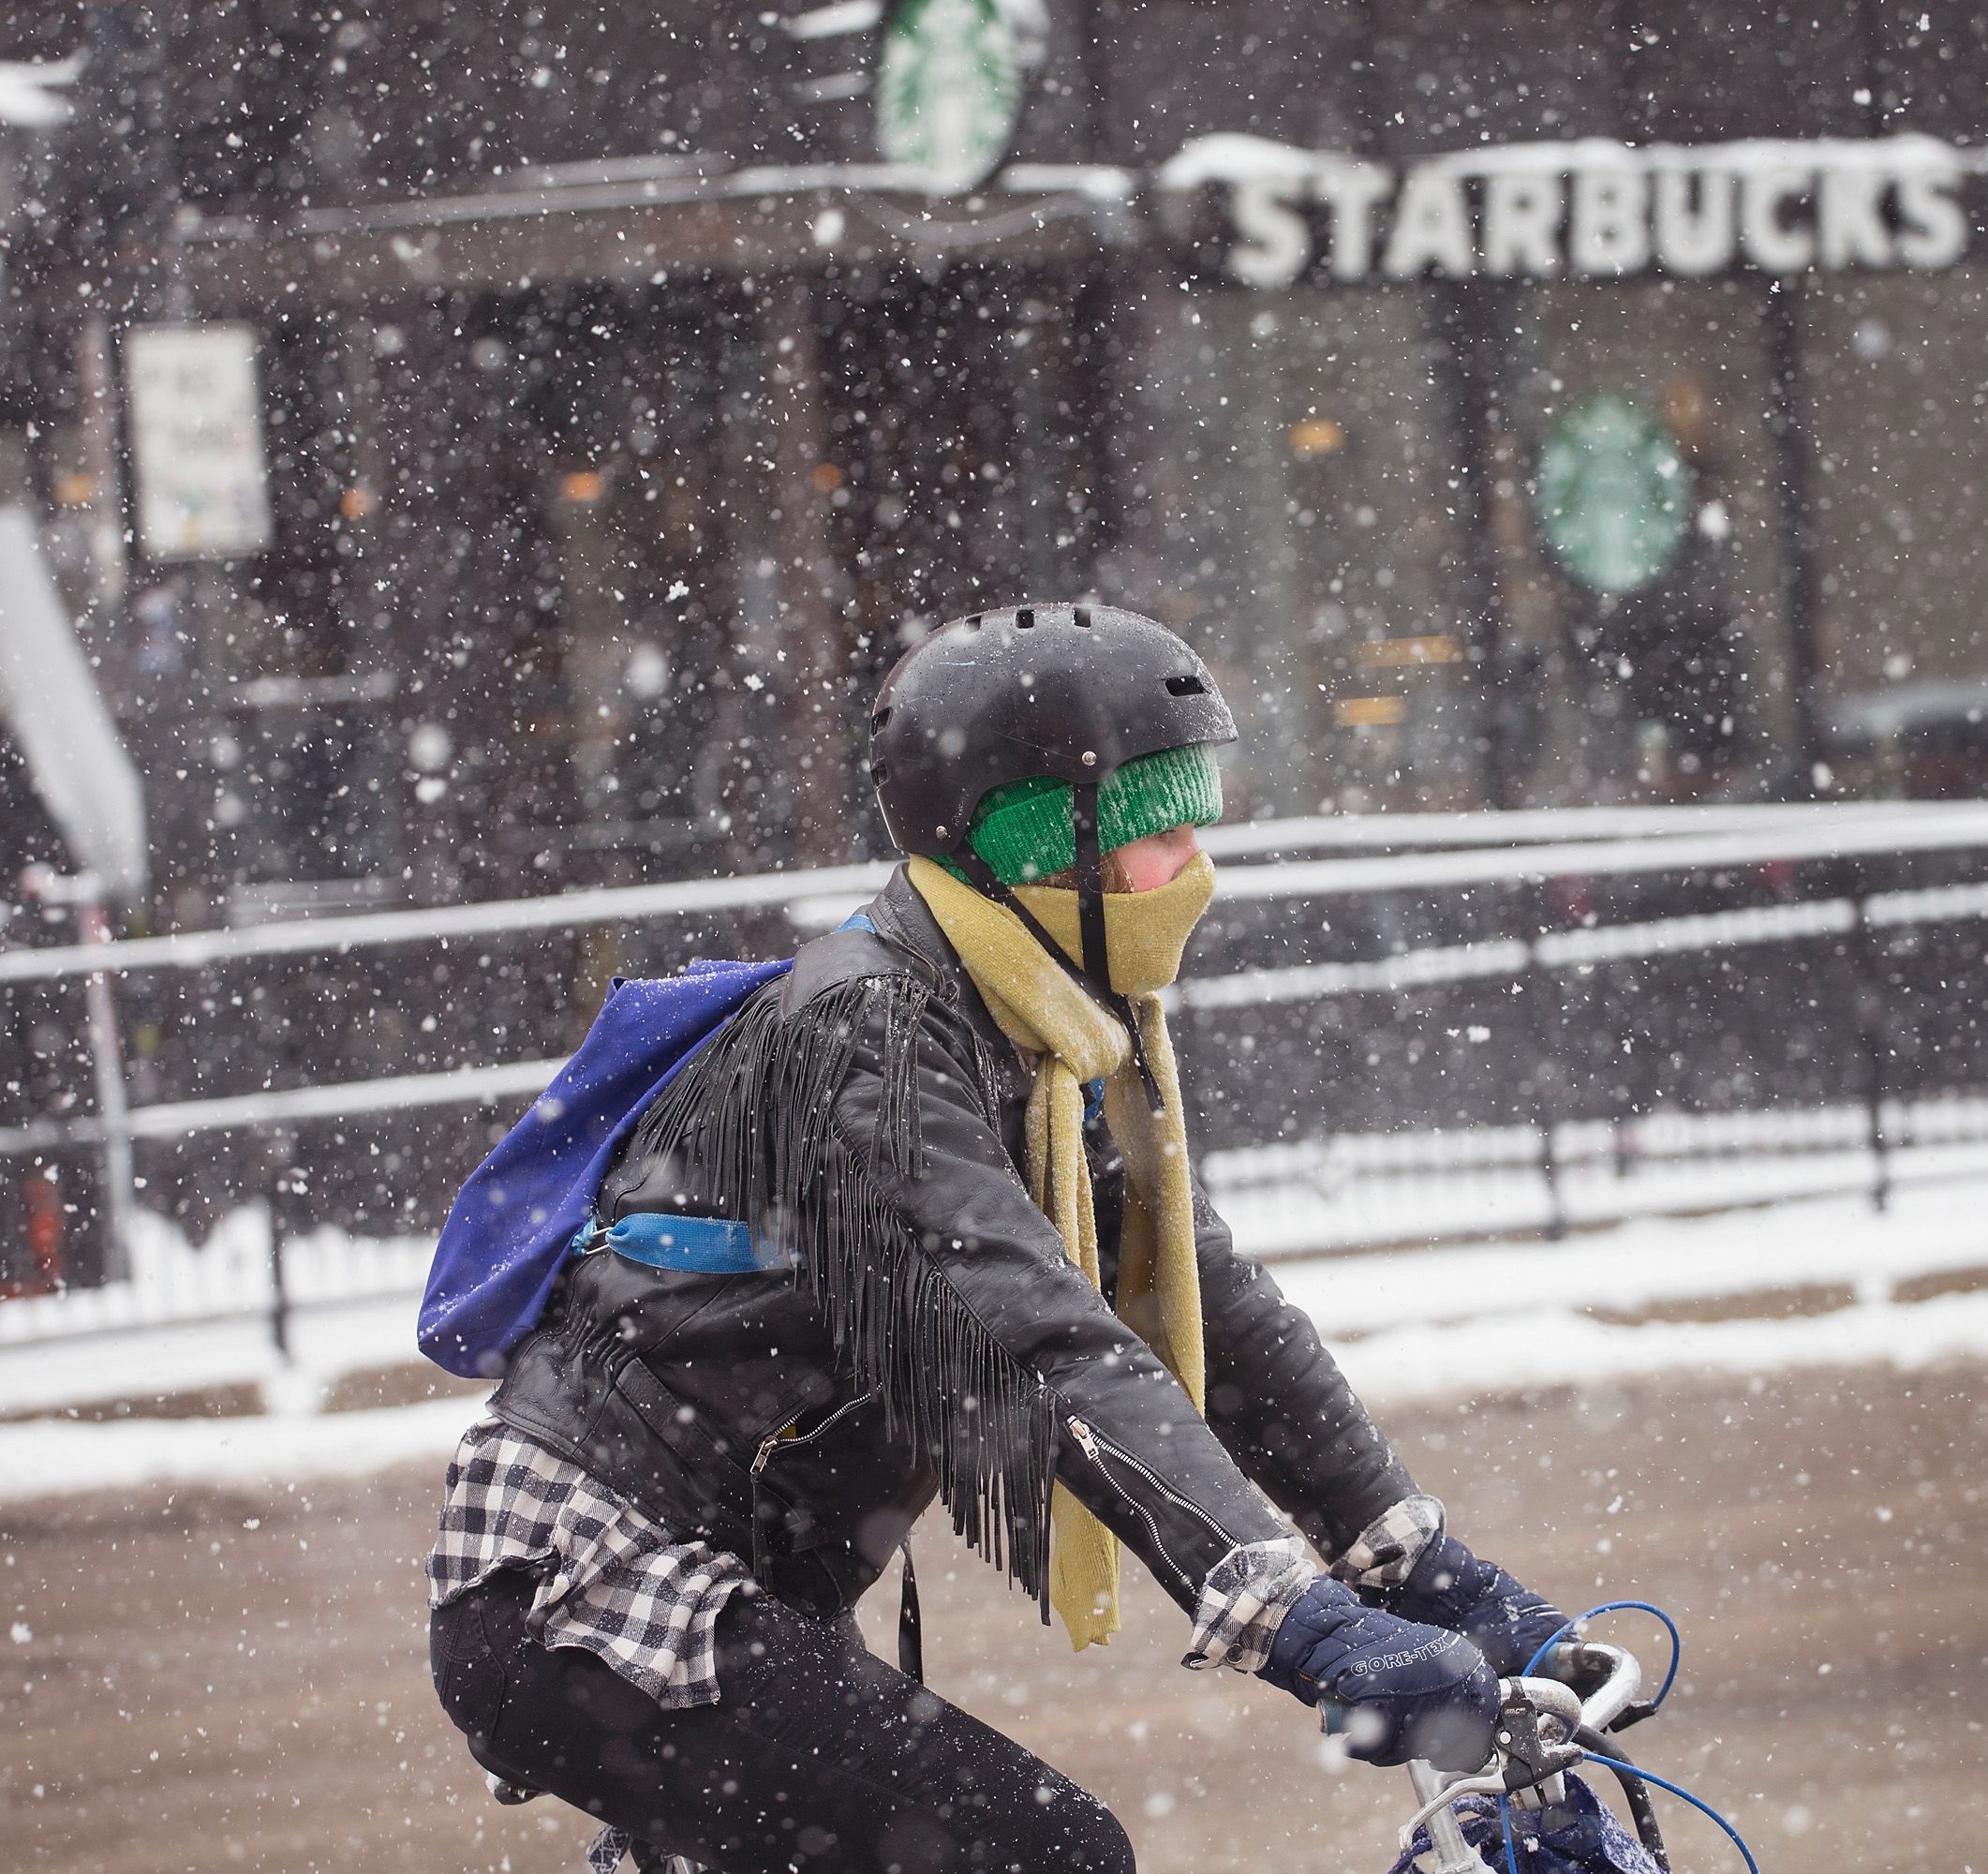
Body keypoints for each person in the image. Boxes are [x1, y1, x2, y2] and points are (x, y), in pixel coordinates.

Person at [426, 603, 1572, 1874]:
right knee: (1052, 1857)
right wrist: (1296, 1621)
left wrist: (1416, 1565)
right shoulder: (868, 1040)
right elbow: (1038, 1340)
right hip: (586, 1595)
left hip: (728, 1598)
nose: (1197, 864)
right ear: (1041, 846)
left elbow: (1214, 1315)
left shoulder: (1038, 1034)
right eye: (1161, 828)